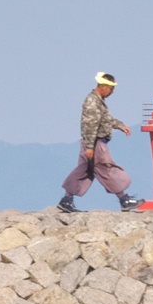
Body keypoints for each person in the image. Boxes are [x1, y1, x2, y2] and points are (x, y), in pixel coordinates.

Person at [59, 72, 141, 213]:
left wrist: (119, 125)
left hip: (90, 142)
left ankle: (66, 200)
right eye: (111, 88)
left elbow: (106, 119)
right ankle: (124, 199)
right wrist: (90, 146)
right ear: (103, 87)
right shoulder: (93, 102)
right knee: (106, 169)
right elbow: (90, 125)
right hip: (95, 143)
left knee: (84, 171)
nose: (112, 92)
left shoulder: (98, 101)